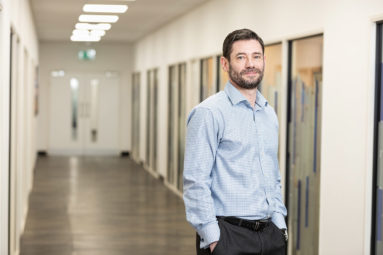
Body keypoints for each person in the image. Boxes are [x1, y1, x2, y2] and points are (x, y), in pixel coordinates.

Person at [183, 28, 288, 255]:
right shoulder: (209, 113)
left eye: (256, 56)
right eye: (241, 57)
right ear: (225, 63)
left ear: (264, 60)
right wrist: (213, 239)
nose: (250, 63)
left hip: (271, 235)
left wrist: (280, 223)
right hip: (228, 237)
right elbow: (195, 181)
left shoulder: (269, 113)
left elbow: (273, 174)